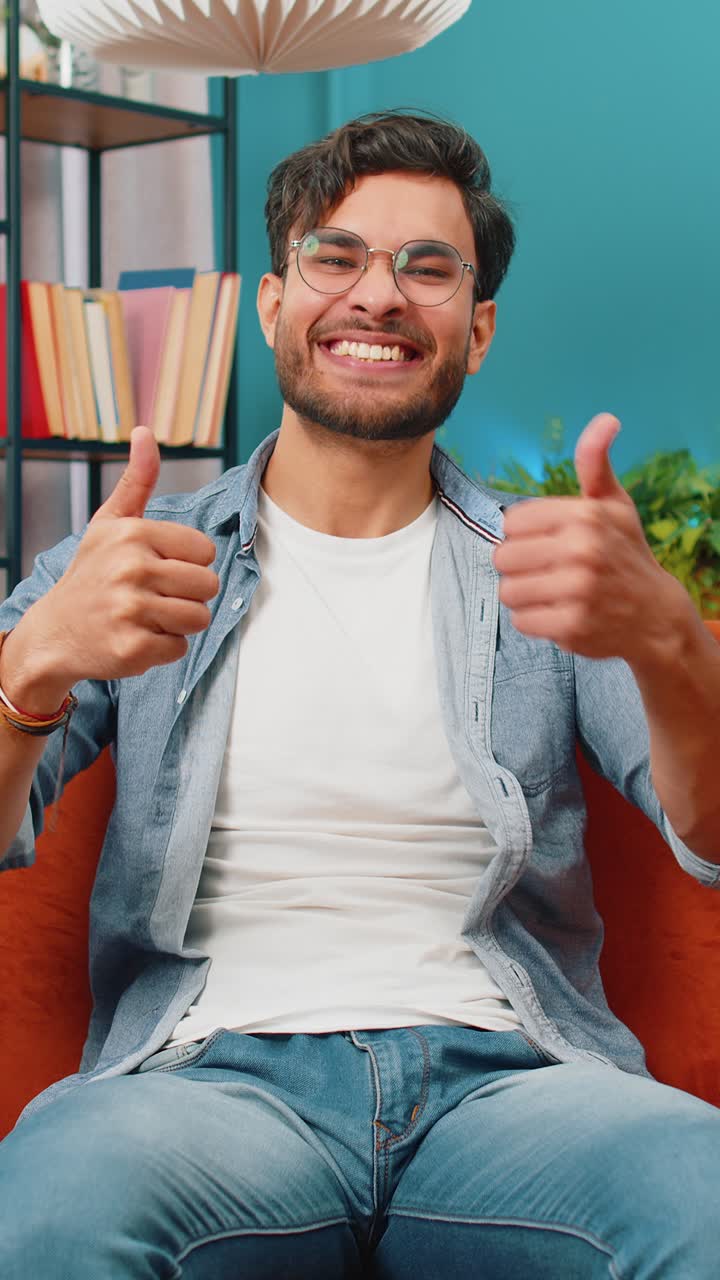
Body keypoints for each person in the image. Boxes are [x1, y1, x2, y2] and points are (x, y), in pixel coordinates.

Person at [0, 109, 718, 1279]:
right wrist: (29, 665)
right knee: (53, 1205)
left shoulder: (543, 568)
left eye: (426, 269)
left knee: (703, 1190)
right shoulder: (136, 555)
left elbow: (713, 839)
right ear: (276, 303)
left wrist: (677, 646)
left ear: (476, 329)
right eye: (336, 257)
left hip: (512, 1088)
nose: (377, 297)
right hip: (207, 1086)